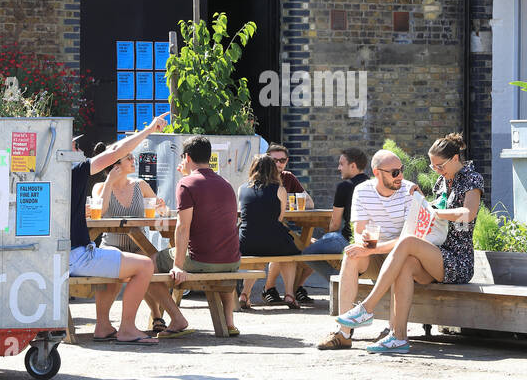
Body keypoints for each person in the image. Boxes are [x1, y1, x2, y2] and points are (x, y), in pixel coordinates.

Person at [335, 133, 485, 355]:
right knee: (404, 264)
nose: (436, 170)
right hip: (435, 251)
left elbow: (468, 214)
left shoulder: (472, 178)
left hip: (456, 259)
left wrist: (434, 212)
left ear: (455, 159)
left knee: (407, 242)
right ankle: (398, 337)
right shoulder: (443, 180)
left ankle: (366, 308)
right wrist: (423, 201)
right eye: (433, 166)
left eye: (439, 165)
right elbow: (434, 213)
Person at [69, 114, 190, 344]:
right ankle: (127, 328)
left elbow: (159, 212)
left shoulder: (52, 176)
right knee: (144, 266)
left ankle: (107, 326)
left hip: (63, 255)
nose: (78, 148)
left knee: (141, 260)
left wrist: (161, 208)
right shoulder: (76, 173)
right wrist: (149, 130)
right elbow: (115, 153)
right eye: (74, 145)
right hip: (78, 254)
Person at [316, 147, 416, 350]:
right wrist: (365, 247)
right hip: (377, 253)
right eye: (394, 172)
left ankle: (392, 330)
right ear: (377, 172)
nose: (400, 176)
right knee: (350, 255)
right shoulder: (362, 191)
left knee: (400, 258)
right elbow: (360, 231)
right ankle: (343, 333)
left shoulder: (409, 191)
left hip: (403, 256)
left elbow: (408, 239)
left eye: (401, 170)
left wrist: (371, 250)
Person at [146, 136, 243, 335]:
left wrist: (178, 266)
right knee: (218, 255)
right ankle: (229, 323)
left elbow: (183, 228)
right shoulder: (225, 184)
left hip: (202, 260)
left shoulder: (186, 184)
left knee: (147, 265)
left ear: (187, 157)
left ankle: (176, 318)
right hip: (232, 261)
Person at [92, 150, 189, 337]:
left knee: (148, 265)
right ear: (115, 164)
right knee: (112, 264)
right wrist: (109, 182)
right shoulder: (100, 187)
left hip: (139, 244)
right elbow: (101, 211)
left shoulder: (140, 185)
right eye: (128, 157)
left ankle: (169, 316)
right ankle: (102, 325)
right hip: (112, 244)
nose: (132, 160)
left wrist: (162, 208)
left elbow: (162, 211)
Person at [293, 148, 369, 300]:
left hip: (348, 240)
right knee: (317, 243)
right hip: (369, 241)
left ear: (353, 166)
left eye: (341, 164)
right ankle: (298, 289)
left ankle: (340, 280)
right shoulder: (372, 183)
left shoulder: (345, 186)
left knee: (307, 253)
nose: (338, 168)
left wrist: (325, 239)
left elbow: (335, 223)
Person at [237, 155, 301, 309]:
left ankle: (244, 294)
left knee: (257, 259)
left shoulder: (242, 189)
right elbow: (279, 219)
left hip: (246, 241)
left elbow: (242, 212)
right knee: (289, 255)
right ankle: (290, 295)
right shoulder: (280, 190)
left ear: (253, 169)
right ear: (273, 171)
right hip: (273, 240)